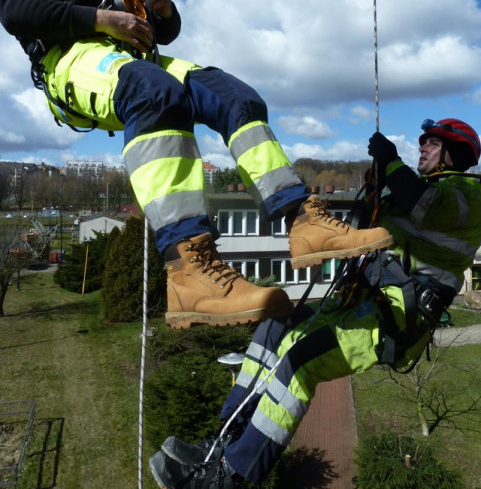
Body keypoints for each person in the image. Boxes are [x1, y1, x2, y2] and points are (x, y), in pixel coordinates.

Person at [0, 0, 392, 329]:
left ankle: (301, 220)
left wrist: (159, 10)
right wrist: (101, 19)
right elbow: (15, 7)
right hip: (72, 59)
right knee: (154, 91)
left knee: (232, 94)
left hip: (135, 56)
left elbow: (163, 35)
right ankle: (189, 270)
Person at [149, 117, 481, 488]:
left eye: (432, 143)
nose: (422, 146)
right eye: (423, 141)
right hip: (364, 301)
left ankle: (232, 476)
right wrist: (375, 189)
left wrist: (390, 163)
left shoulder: (469, 194)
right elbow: (383, 222)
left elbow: (426, 205)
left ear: (455, 154)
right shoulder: (425, 190)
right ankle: (225, 442)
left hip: (397, 318)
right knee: (275, 325)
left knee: (299, 363)